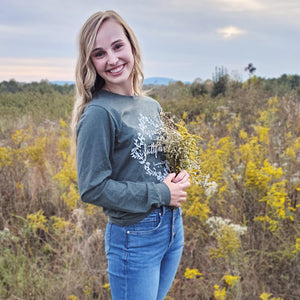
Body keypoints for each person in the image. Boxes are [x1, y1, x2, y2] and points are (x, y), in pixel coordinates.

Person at [71, 10, 190, 300]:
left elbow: (150, 164)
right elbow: (92, 188)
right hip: (134, 237)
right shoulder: (99, 113)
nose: (112, 59)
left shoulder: (151, 105)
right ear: (90, 63)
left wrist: (176, 175)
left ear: (132, 46)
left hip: (172, 228)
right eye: (99, 53)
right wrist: (161, 193)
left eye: (117, 46)